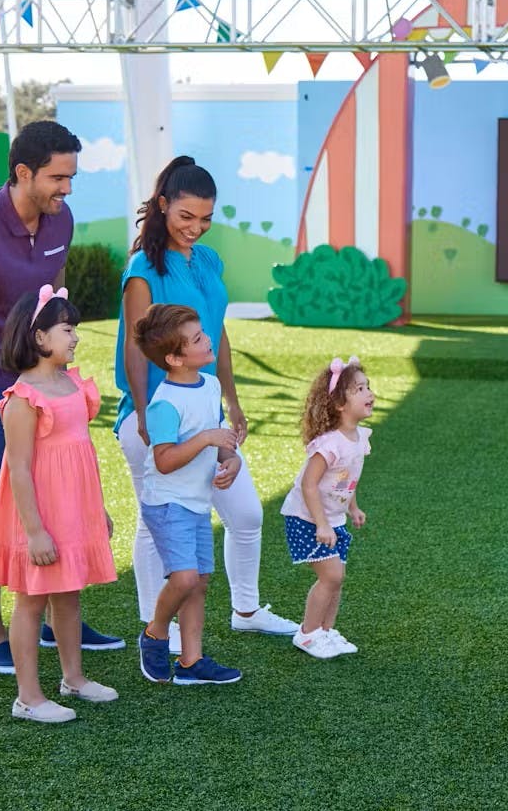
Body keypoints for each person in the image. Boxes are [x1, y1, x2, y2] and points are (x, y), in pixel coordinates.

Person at [0, 120, 123, 675]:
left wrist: (63, 371)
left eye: (72, 177)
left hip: (43, 381)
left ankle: (61, 621)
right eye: (59, 177)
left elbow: (54, 299)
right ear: (23, 173)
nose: (68, 189)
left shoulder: (61, 219)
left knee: (57, 498)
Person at [115, 155, 297, 650]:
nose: (196, 228)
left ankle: (247, 609)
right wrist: (143, 413)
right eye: (186, 217)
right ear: (162, 207)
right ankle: (161, 627)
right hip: (157, 417)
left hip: (206, 411)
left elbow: (216, 334)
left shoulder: (210, 261)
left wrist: (232, 402)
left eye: (206, 219)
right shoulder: (142, 269)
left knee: (245, 515)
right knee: (156, 525)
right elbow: (135, 345)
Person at [0, 285, 119, 722]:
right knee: (31, 600)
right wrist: (35, 530)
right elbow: (18, 469)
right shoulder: (22, 399)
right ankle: (28, 697)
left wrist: (98, 511)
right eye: (66, 329)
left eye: (74, 329)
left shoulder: (71, 384)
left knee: (69, 595)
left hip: (74, 508)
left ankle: (73, 678)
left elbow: (81, 454)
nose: (75, 337)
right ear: (39, 337)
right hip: (38, 514)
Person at [132, 304, 245, 686]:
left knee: (199, 581)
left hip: (196, 501)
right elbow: (164, 460)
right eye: (197, 339)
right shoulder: (164, 403)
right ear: (174, 358)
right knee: (183, 579)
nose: (207, 339)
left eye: (203, 333)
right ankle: (155, 634)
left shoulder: (210, 385)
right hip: (167, 503)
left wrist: (230, 459)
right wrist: (206, 440)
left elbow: (218, 435)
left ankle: (191, 661)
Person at [281, 356, 373, 660]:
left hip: (332, 518)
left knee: (338, 577)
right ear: (339, 404)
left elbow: (349, 480)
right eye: (359, 389)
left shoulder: (360, 438)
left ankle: (326, 631)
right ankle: (307, 634)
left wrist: (353, 508)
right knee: (331, 576)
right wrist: (320, 524)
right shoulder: (329, 444)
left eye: (367, 387)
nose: (369, 394)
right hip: (306, 518)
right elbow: (309, 485)